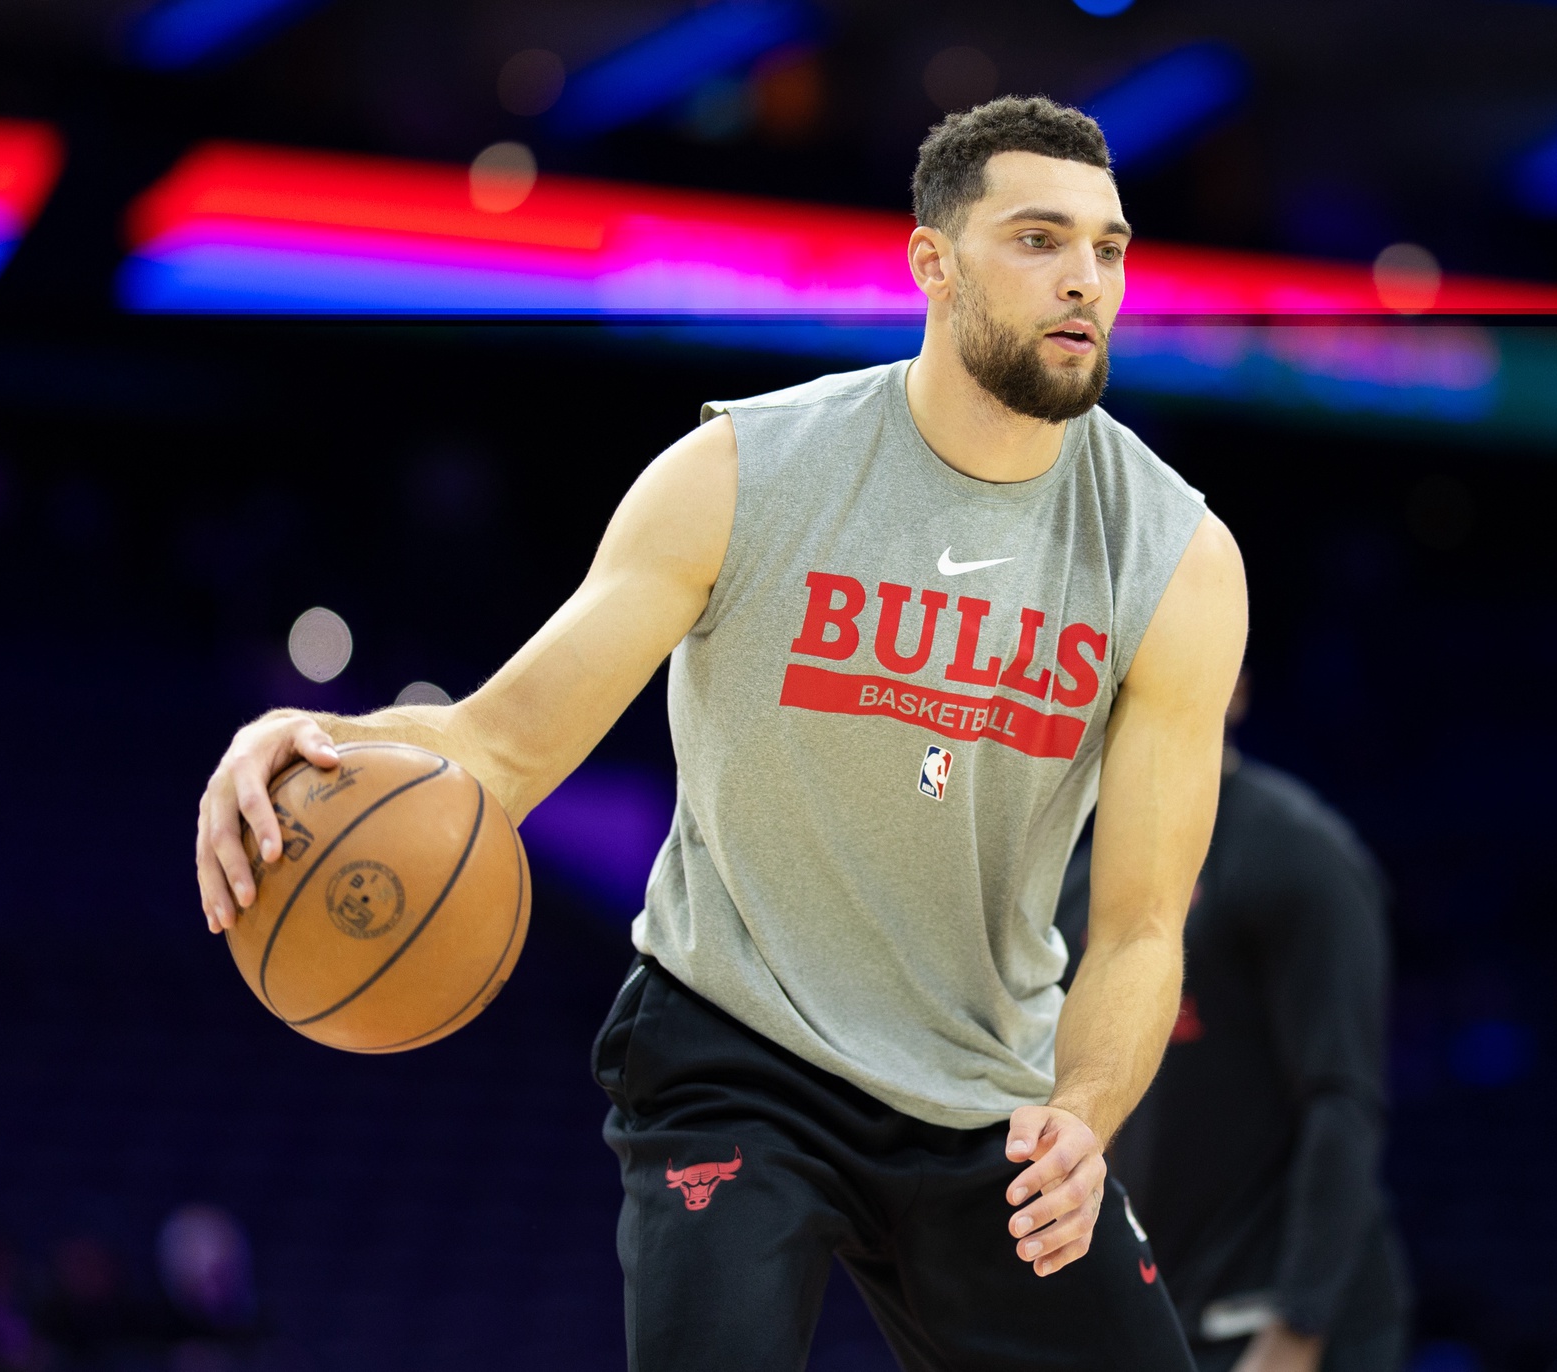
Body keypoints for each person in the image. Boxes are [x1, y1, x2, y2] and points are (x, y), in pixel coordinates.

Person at [193, 97, 1247, 1371]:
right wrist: (309, 731)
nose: (1085, 278)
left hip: (989, 1094)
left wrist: (1083, 1113)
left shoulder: (1177, 558)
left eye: (1109, 247)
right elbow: (501, 749)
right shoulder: (746, 470)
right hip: (739, 1053)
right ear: (933, 260)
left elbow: (1138, 927)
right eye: (1037, 239)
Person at [1055, 675, 1408, 1372]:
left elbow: (1342, 1102)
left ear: (1235, 688)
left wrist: (1296, 1331)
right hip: (1155, 1309)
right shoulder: (1079, 882)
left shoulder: (1299, 857)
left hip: (1283, 1323)